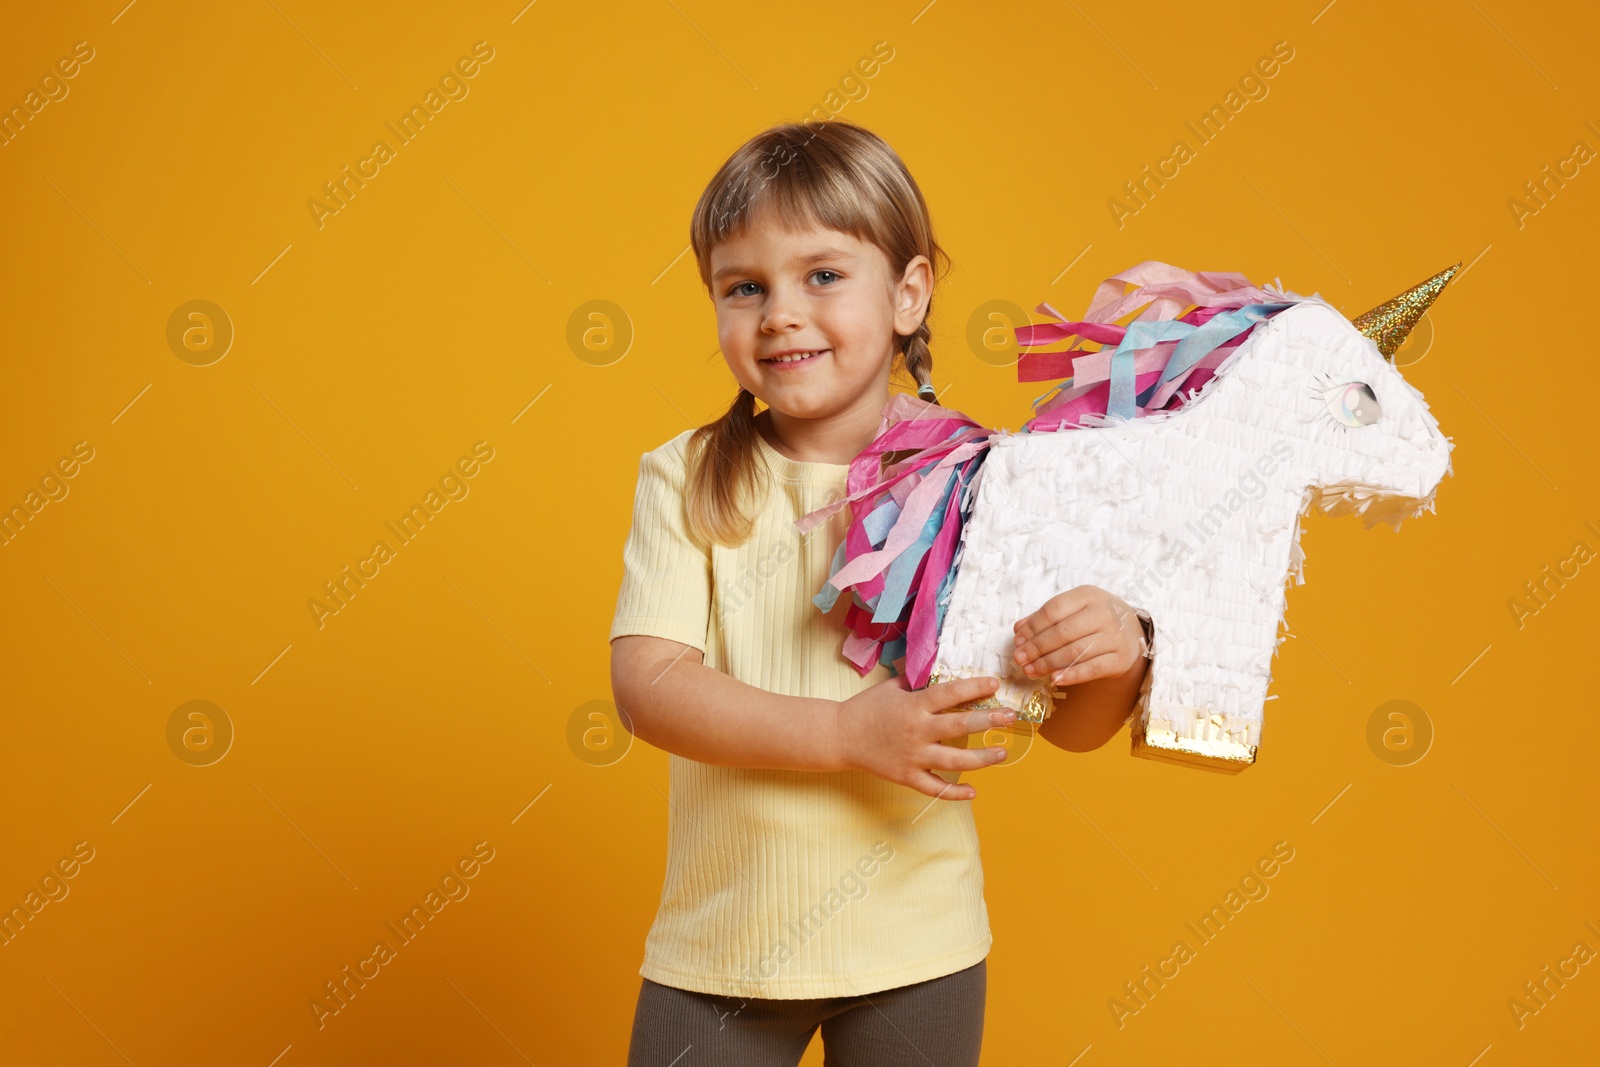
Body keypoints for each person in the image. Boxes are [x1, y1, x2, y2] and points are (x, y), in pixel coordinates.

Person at [609, 119, 1153, 1066]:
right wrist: (841, 733)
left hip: (920, 949)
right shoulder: (687, 476)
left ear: (908, 293)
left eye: (823, 275)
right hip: (720, 952)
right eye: (745, 287)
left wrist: (1115, 651)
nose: (779, 312)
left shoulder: (983, 481)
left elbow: (1062, 723)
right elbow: (648, 685)